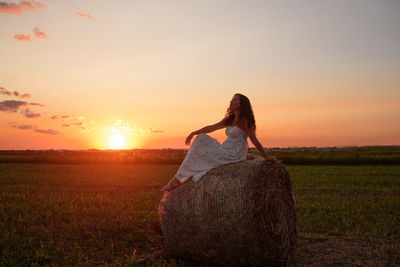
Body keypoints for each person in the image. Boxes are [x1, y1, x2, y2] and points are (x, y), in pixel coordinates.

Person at [161, 93, 279, 192]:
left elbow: (255, 141)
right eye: (231, 100)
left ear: (242, 103)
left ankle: (177, 180)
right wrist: (194, 132)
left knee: (203, 151)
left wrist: (266, 157)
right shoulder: (230, 119)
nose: (231, 102)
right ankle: (179, 178)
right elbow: (212, 127)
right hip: (225, 148)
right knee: (201, 138)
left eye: (235, 100)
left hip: (234, 153)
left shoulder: (245, 121)